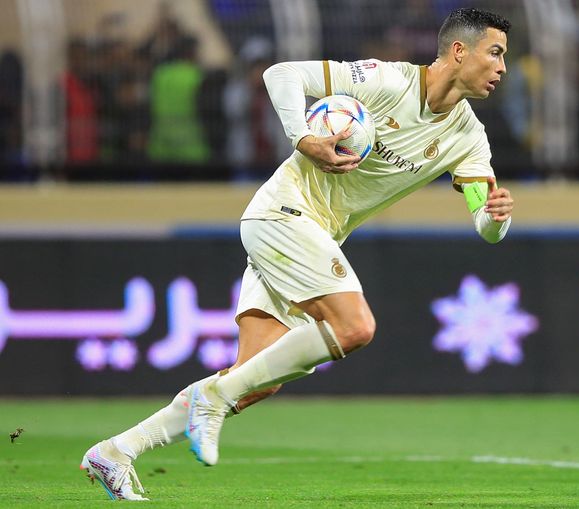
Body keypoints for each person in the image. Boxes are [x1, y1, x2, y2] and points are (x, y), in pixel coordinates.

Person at [80, 7, 514, 501]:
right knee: (355, 327)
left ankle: (116, 451)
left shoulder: (468, 137)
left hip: (306, 239)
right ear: (460, 51)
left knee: (256, 379)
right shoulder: (385, 80)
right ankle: (211, 399)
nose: (502, 67)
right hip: (282, 214)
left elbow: (485, 226)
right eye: (495, 53)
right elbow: (281, 74)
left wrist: (495, 218)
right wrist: (305, 139)